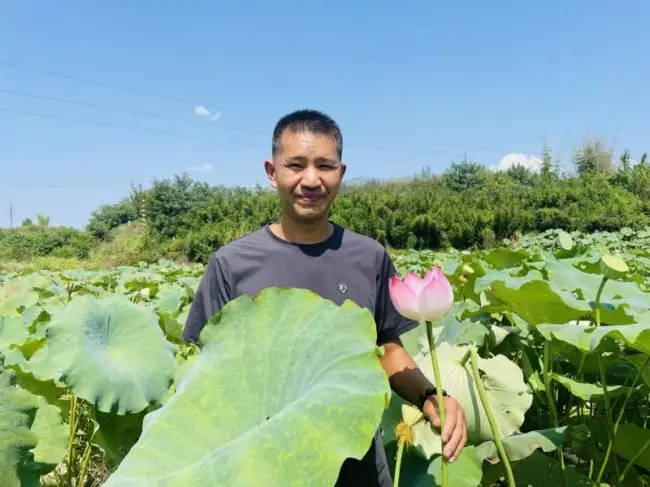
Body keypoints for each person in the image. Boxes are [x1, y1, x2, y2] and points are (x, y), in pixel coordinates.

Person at [182, 109, 467, 486]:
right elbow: (206, 373)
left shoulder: (368, 257)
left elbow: (387, 349)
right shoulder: (231, 264)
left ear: (341, 174)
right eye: (295, 165)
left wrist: (431, 395)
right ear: (272, 173)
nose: (311, 179)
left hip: (358, 465)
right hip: (264, 466)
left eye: (325, 166)